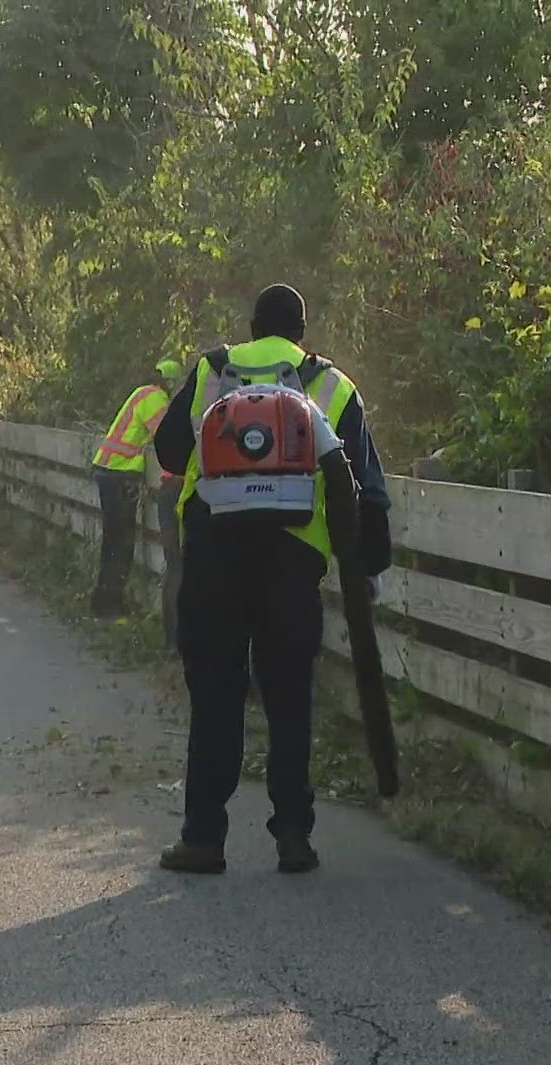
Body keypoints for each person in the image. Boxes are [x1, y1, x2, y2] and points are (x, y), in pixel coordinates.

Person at [151, 283, 391, 874]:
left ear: (252, 327)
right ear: (300, 333)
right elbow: (370, 496)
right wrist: (368, 571)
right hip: (293, 565)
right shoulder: (334, 387)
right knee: (288, 703)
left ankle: (203, 840)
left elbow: (170, 452)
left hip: (213, 560)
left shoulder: (213, 370)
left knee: (215, 700)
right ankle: (293, 837)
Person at [90, 359, 183, 618]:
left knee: (113, 540)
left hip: (109, 470)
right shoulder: (156, 398)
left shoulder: (141, 392)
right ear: (171, 382)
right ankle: (110, 608)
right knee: (121, 543)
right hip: (120, 473)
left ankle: (103, 603)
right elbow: (167, 438)